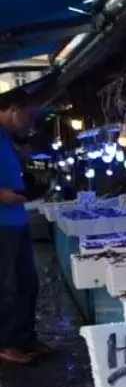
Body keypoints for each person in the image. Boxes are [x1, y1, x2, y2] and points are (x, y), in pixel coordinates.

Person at [0, 89, 45, 365]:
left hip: (17, 219)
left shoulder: (7, 138)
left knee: (28, 283)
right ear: (13, 108)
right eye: (28, 115)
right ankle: (5, 343)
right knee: (6, 285)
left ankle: (25, 337)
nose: (30, 122)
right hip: (2, 223)